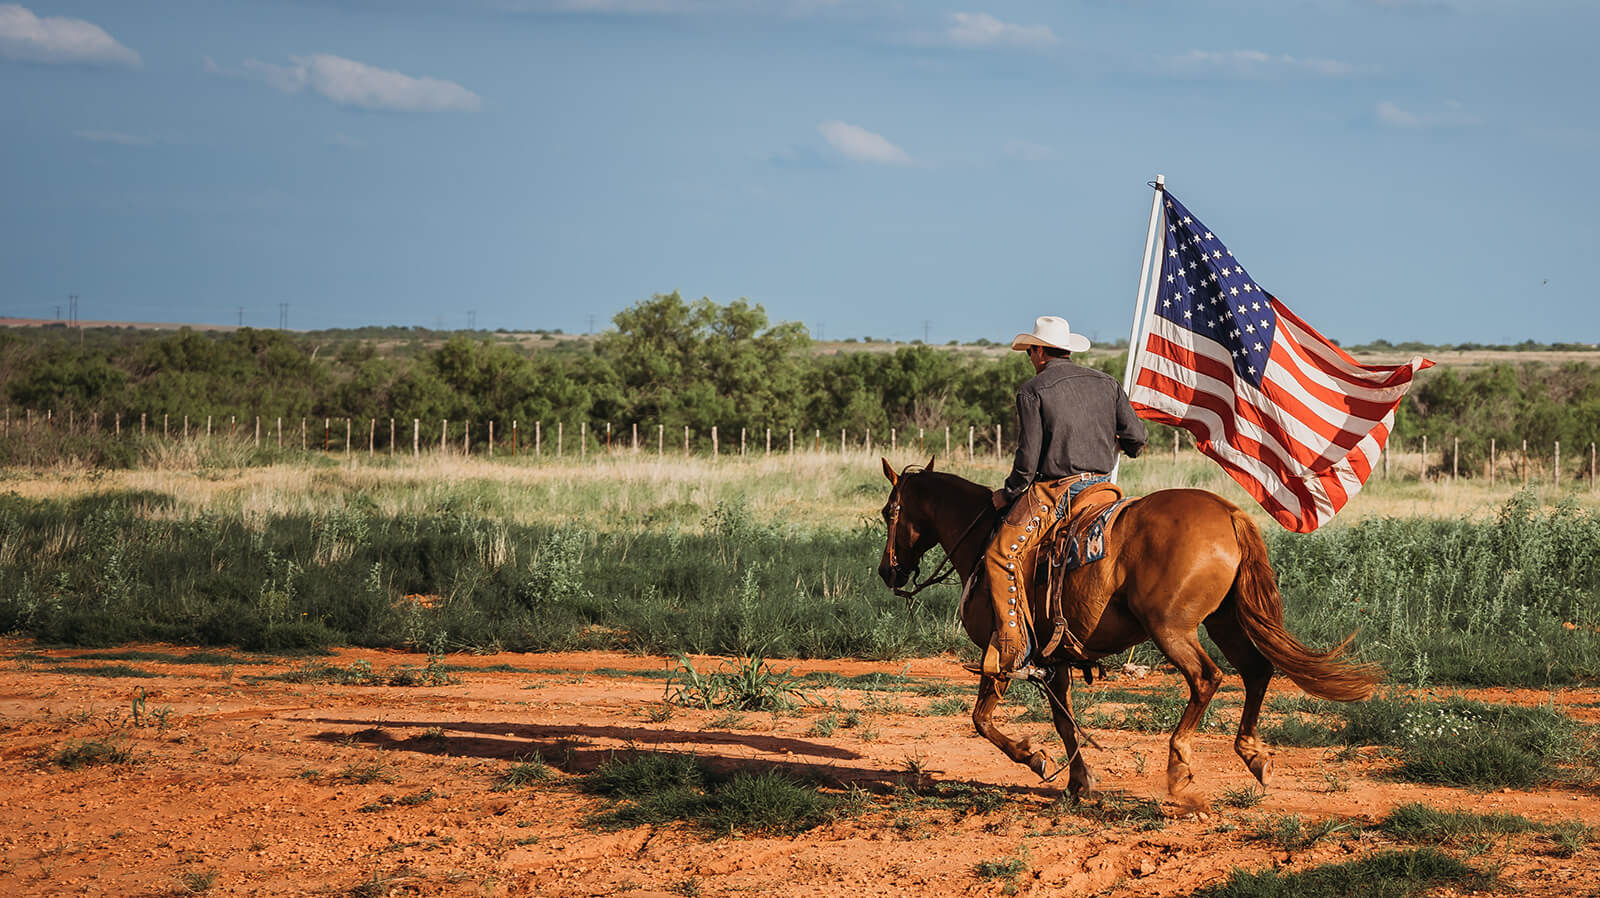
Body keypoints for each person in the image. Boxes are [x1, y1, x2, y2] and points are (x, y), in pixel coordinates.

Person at [981, 315, 1147, 678]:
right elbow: (1137, 437)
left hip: (1058, 490)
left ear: (1040, 351)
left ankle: (1014, 649)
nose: (1030, 357)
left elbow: (1027, 460)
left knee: (1000, 555)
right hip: (1104, 489)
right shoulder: (1107, 383)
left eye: (1031, 351)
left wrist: (1008, 494)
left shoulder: (1033, 390)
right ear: (1067, 350)